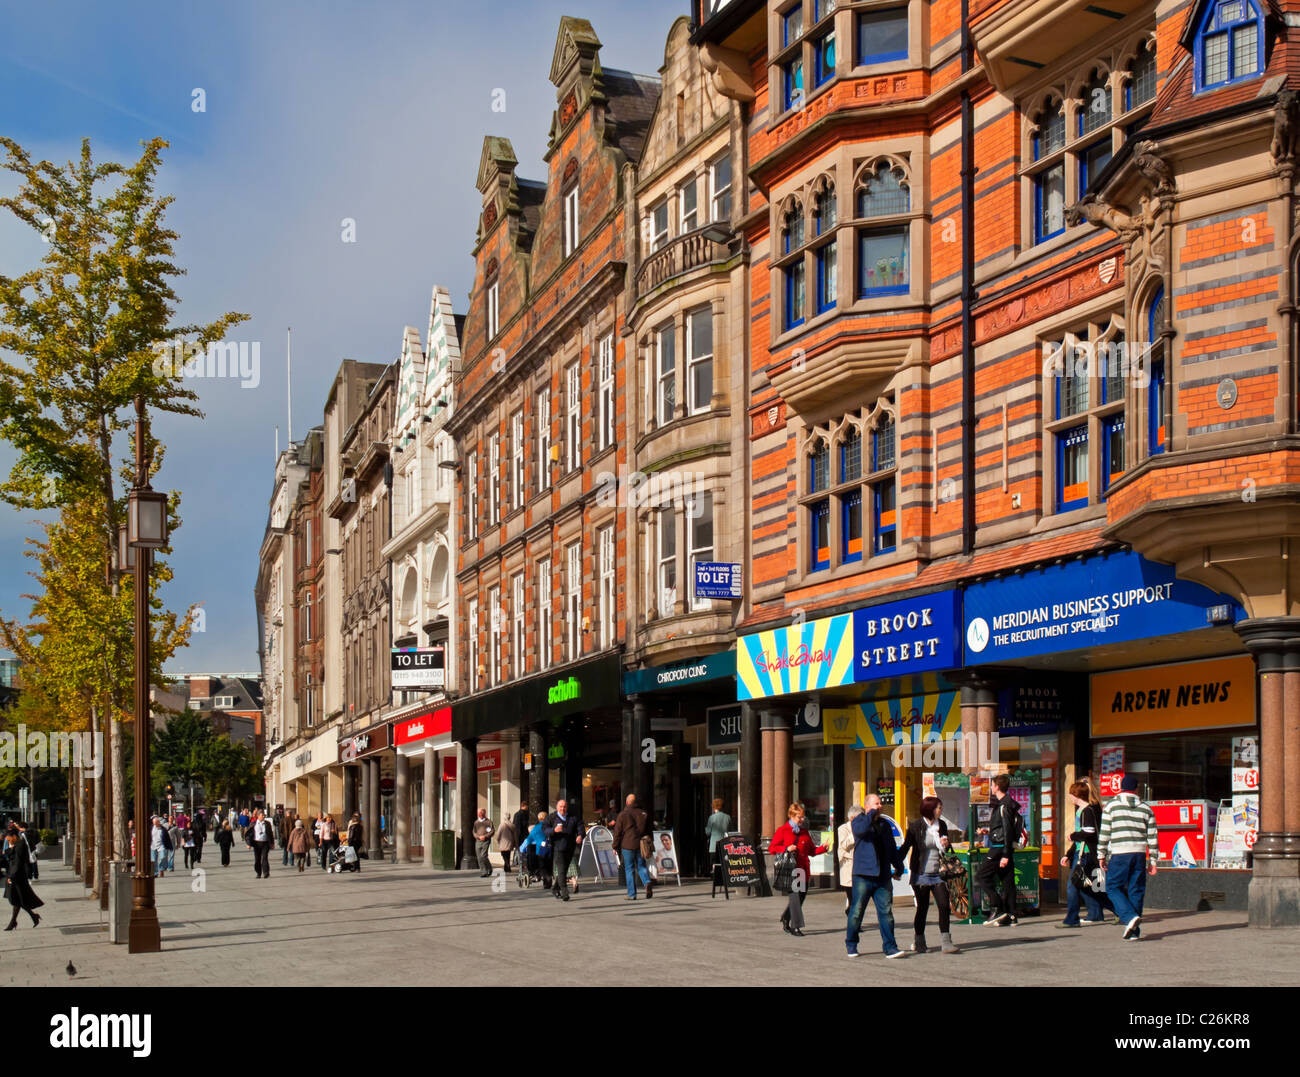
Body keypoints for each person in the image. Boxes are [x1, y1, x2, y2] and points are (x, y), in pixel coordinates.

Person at [845, 793, 907, 958]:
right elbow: (861, 831)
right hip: (863, 875)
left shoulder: (885, 824)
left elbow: (892, 849)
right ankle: (851, 943)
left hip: (882, 876)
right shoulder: (859, 821)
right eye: (876, 804)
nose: (880, 806)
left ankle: (890, 947)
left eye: (880, 803)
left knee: (886, 912)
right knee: (857, 911)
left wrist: (899, 867)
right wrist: (870, 814)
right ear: (866, 806)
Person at [1098, 774, 1159, 941]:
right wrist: (1153, 861)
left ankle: (1128, 916)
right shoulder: (1146, 808)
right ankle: (1134, 932)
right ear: (1136, 789)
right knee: (1136, 890)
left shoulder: (1111, 806)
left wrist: (1101, 854)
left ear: (1121, 788)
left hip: (1119, 853)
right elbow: (1153, 836)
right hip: (1139, 854)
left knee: (1112, 887)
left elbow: (1104, 833)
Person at [899, 796, 960, 954]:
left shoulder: (942, 825)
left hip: (939, 873)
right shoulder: (916, 826)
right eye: (939, 807)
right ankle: (919, 941)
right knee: (923, 908)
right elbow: (906, 847)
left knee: (944, 906)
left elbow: (945, 849)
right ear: (930, 809)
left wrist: (946, 845)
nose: (941, 810)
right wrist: (896, 866)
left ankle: (946, 942)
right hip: (921, 874)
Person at [769, 802, 828, 938]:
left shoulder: (804, 832)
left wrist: (823, 848)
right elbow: (772, 848)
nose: (802, 820)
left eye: (803, 817)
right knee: (795, 897)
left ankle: (785, 917)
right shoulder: (783, 830)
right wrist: (786, 848)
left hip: (803, 869)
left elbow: (812, 851)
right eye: (799, 817)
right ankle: (796, 927)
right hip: (790, 870)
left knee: (801, 897)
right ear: (791, 816)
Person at [1058, 779, 1110, 928]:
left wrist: (1073, 836)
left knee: (1073, 885)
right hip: (1083, 852)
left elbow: (1089, 832)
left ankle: (1072, 918)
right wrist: (1068, 854)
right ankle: (1107, 912)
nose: (1069, 797)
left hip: (1086, 854)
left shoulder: (1088, 810)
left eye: (1071, 794)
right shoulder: (1083, 810)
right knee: (1087, 886)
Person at [976, 774, 1022, 927]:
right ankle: (1011, 915)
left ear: (997, 787)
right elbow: (1002, 828)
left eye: (992, 785)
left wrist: (1005, 854)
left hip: (999, 848)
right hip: (1002, 846)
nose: (990, 787)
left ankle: (998, 907)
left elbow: (1007, 830)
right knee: (1007, 881)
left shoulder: (1004, 805)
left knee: (981, 875)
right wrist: (988, 831)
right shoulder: (1004, 804)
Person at [612, 794, 653, 901]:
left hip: (627, 845)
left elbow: (618, 832)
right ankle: (647, 882)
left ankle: (632, 894)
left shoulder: (623, 814)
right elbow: (649, 830)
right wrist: (650, 842)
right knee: (641, 866)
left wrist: (615, 846)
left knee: (629, 869)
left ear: (627, 802)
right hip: (641, 844)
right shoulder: (643, 813)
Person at [2, 827, 42, 930]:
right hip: (15, 876)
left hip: (17, 877)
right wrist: (10, 847)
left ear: (14, 836)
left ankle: (14, 922)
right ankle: (31, 917)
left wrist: (11, 877)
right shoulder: (17, 845)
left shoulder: (20, 846)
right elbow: (10, 857)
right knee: (17, 899)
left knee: (18, 900)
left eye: (9, 839)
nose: (8, 840)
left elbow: (18, 863)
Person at [546, 799, 582, 900]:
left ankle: (554, 888)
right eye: (561, 807)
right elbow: (544, 829)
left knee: (564, 870)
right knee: (561, 870)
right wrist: (554, 830)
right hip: (558, 847)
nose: (563, 808)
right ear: (557, 807)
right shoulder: (552, 817)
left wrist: (580, 835)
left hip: (570, 847)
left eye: (564, 807)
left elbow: (580, 826)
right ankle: (565, 892)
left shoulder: (572, 817)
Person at [836, 804, 861, 913]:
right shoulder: (843, 829)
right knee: (853, 897)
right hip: (848, 867)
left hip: (860, 867)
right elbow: (843, 845)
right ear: (852, 818)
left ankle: (854, 917)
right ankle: (853, 917)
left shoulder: (863, 828)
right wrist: (854, 834)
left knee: (859, 898)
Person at [519, 810, 553, 889]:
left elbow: (529, 839)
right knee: (548, 865)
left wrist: (521, 849)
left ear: (539, 818)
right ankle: (547, 882)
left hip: (540, 849)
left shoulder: (536, 828)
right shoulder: (551, 827)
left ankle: (547, 878)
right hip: (551, 848)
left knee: (542, 866)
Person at [704, 798, 730, 875]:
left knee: (714, 862)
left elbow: (708, 832)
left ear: (714, 806)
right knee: (723, 861)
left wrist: (706, 829)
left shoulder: (712, 818)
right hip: (725, 843)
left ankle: (715, 876)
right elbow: (730, 830)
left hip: (714, 845)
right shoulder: (727, 817)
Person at [246, 809, 275, 879]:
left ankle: (266, 873)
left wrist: (272, 843)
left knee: (264, 858)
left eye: (264, 815)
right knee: (257, 859)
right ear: (258, 816)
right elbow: (249, 834)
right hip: (256, 843)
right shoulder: (253, 823)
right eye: (262, 815)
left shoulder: (267, 824)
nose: (263, 817)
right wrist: (248, 844)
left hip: (265, 843)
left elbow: (270, 834)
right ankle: (258, 873)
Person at [471, 809, 495, 877]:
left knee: (483, 855)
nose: (480, 815)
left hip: (486, 841)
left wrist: (485, 836)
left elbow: (492, 831)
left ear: (484, 814)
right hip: (478, 841)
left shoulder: (488, 822)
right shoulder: (476, 822)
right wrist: (478, 837)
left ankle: (489, 868)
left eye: (482, 813)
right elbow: (474, 832)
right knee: (479, 857)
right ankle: (483, 872)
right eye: (479, 813)